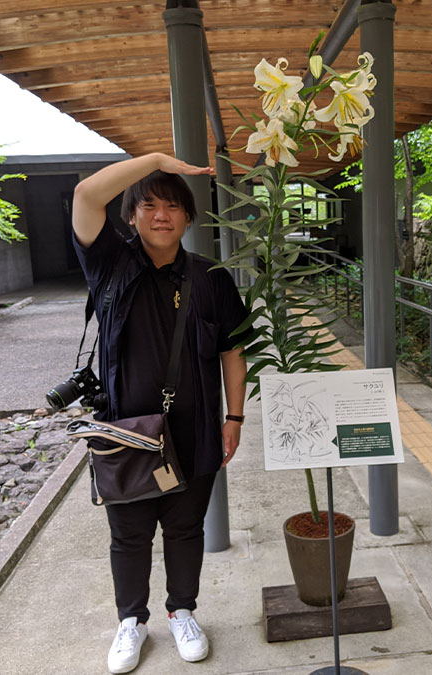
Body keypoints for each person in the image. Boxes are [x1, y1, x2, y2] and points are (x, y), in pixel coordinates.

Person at [71, 152, 249, 672]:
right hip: (127, 431)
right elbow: (86, 196)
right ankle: (131, 621)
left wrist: (234, 419)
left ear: (188, 218)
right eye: (148, 205)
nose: (161, 215)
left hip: (193, 430)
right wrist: (152, 160)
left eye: (172, 206)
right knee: (128, 532)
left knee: (186, 527)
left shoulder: (210, 276)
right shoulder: (109, 263)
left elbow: (233, 351)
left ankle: (182, 612)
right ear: (131, 216)